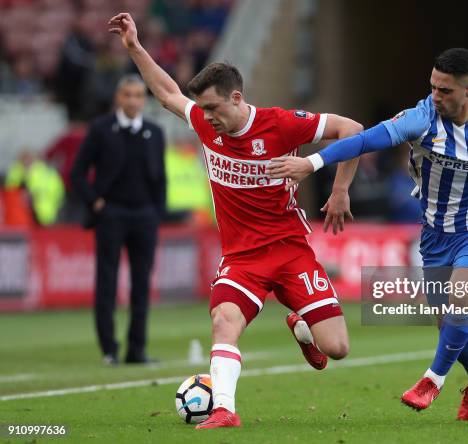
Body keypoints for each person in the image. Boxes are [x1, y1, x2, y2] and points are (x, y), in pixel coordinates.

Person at [269, 48, 468, 421]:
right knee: (452, 322)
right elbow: (365, 140)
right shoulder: (420, 117)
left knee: (461, 300)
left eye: (445, 91)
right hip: (435, 235)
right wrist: (312, 162)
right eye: (433, 87)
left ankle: (432, 380)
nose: (435, 97)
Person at [108, 12, 362, 429]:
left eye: (213, 108)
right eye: (203, 109)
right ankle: (224, 408)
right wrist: (135, 47)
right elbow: (169, 94)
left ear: (238, 98)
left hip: (291, 251)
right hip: (242, 257)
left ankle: (300, 325)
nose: (205, 117)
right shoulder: (208, 127)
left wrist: (337, 188)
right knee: (224, 320)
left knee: (337, 348)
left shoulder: (280, 125)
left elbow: (353, 130)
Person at [71, 74, 167, 366]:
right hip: (111, 215)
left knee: (141, 285)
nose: (133, 100)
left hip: (144, 217)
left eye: (139, 95)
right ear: (118, 98)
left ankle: (136, 350)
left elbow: (160, 177)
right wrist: (95, 202)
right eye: (128, 94)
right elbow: (77, 172)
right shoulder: (101, 129)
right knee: (107, 283)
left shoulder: (154, 131)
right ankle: (109, 349)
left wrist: (156, 212)